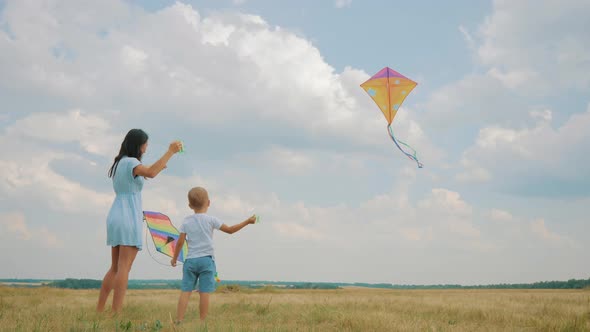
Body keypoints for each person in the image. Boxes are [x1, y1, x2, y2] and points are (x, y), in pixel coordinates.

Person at [97, 129, 182, 313]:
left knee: (114, 267)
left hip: (117, 214)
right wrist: (171, 152)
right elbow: (151, 173)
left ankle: (100, 310)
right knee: (124, 269)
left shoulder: (119, 163)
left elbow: (148, 172)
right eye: (145, 144)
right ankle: (116, 313)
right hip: (128, 217)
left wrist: (159, 165)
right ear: (139, 144)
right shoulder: (132, 162)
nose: (146, 147)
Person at [171, 186, 256, 323]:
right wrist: (247, 221)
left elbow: (180, 242)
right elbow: (230, 230)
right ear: (209, 203)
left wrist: (174, 258)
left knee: (185, 291)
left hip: (190, 261)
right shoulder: (211, 220)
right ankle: (202, 322)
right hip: (206, 261)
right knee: (204, 292)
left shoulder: (186, 221)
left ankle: (178, 320)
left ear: (190, 205)